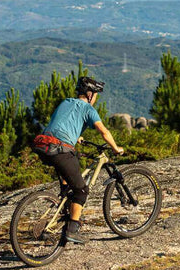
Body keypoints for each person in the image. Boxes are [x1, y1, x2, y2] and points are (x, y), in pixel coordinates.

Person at [31, 76, 124, 244]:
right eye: (95, 95)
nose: (95, 98)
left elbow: (59, 123)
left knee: (68, 186)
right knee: (81, 190)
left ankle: (62, 217)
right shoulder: (89, 109)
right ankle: (72, 230)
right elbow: (103, 132)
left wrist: (76, 136)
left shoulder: (66, 102)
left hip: (44, 146)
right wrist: (116, 148)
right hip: (61, 150)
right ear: (90, 95)